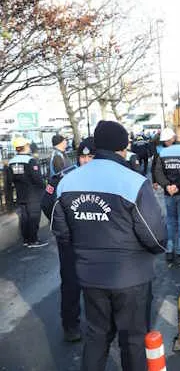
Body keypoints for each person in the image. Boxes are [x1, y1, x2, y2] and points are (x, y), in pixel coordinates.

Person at [52, 120, 167, 371]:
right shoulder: (133, 181)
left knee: (96, 335)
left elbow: (61, 232)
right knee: (133, 340)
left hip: (90, 277)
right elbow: (155, 235)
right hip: (131, 277)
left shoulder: (68, 183)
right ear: (122, 146)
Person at [43, 136, 95, 343]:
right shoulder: (63, 178)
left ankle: (98, 322)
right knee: (71, 284)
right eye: (83, 157)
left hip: (97, 240)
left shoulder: (104, 177)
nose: (86, 161)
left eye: (91, 156)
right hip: (70, 242)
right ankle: (70, 325)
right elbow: (47, 203)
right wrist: (63, 231)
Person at [153, 127, 180, 264]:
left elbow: (158, 173)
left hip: (169, 194)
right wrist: (178, 186)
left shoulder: (164, 152)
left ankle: (169, 251)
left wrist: (167, 185)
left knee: (171, 222)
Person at [8, 137, 48, 248]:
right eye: (28, 145)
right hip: (33, 195)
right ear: (25, 146)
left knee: (25, 218)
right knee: (34, 217)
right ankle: (33, 240)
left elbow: (10, 180)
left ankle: (26, 240)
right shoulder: (30, 160)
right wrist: (44, 187)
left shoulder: (11, 162)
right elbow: (37, 179)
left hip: (21, 194)